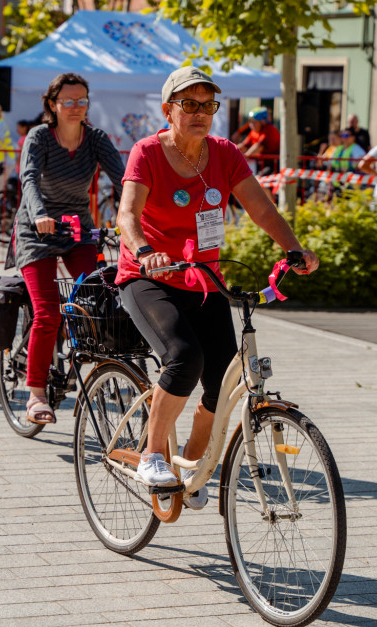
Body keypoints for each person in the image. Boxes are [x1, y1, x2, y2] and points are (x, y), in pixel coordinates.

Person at [115, 66, 318, 505]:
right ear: (169, 110)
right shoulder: (147, 152)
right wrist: (144, 249)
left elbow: (262, 210)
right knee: (185, 357)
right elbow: (127, 214)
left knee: (224, 380)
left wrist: (293, 249)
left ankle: (192, 463)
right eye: (189, 104)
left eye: (208, 105)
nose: (200, 113)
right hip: (148, 276)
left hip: (203, 279)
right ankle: (152, 455)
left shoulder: (224, 154)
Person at [13, 73, 126, 425]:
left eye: (82, 101)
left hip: (78, 229)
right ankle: (35, 395)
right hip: (37, 230)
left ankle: (90, 369)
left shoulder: (95, 139)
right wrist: (40, 214)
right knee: (47, 311)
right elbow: (28, 178)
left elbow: (124, 180)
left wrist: (136, 217)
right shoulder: (39, 137)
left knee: (96, 302)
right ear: (52, 105)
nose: (76, 108)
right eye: (68, 102)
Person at [236, 107, 280, 175]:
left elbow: (258, 147)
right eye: (250, 122)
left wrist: (245, 157)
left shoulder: (270, 130)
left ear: (262, 122)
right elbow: (244, 145)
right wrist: (231, 152)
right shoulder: (254, 132)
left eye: (254, 122)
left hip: (273, 165)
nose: (251, 125)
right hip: (260, 164)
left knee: (259, 181)